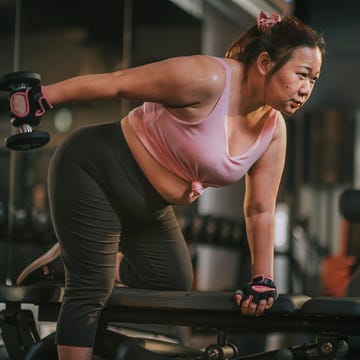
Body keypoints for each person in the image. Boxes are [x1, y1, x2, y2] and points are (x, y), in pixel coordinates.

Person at [12, 11, 325, 360]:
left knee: (172, 279)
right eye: (301, 75)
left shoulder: (273, 129)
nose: (307, 89)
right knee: (90, 290)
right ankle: (82, 271)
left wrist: (262, 278)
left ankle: (65, 262)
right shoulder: (207, 78)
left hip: (149, 207)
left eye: (314, 79)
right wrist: (42, 98)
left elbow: (260, 209)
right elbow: (117, 82)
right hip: (94, 170)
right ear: (265, 62)